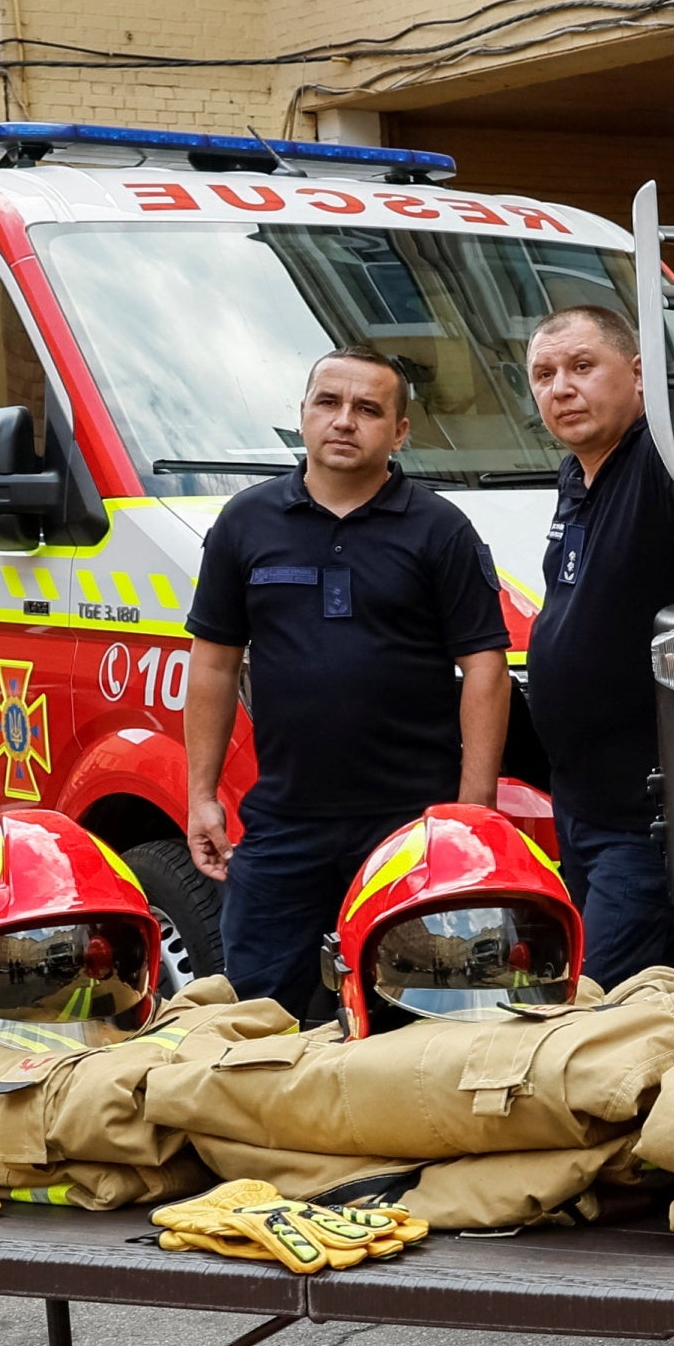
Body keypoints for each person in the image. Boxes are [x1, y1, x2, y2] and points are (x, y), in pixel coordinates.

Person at [183, 351, 510, 1013]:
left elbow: (486, 668)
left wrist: (471, 812)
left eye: (367, 409)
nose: (343, 420)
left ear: (400, 432)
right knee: (258, 1013)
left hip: (410, 825)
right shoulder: (245, 522)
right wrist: (201, 795)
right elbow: (213, 663)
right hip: (283, 824)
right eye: (328, 403)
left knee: (418, 1014)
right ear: (302, 414)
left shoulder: (439, 529)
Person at [521, 303, 674, 985]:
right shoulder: (575, 474)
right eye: (544, 374)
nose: (561, 388)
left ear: (638, 375)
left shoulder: (662, 455)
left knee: (599, 1002)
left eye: (582, 366)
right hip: (580, 808)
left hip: (644, 822)